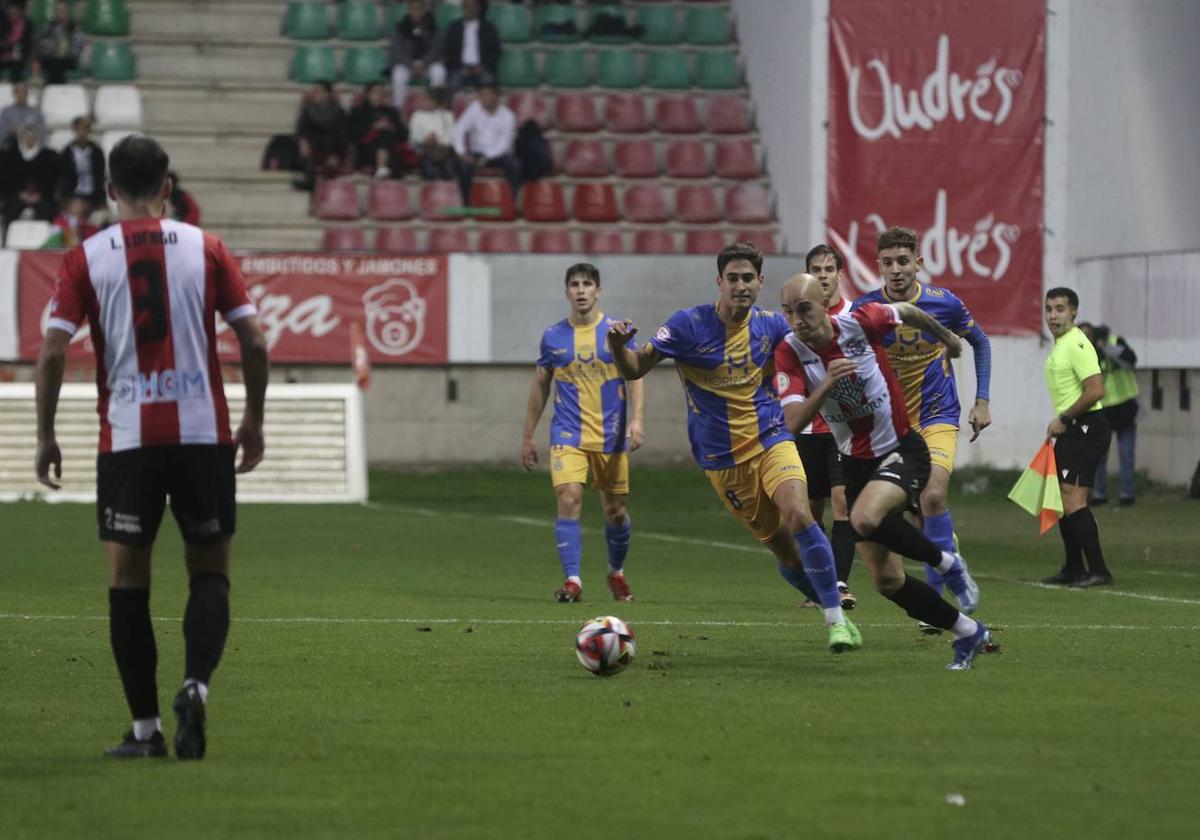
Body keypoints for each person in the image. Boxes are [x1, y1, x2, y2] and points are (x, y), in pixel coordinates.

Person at [33, 134, 269, 759]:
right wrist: (254, 420)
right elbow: (256, 342)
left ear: (109, 190)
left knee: (127, 581)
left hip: (130, 438)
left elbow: (54, 348)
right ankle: (195, 686)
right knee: (210, 571)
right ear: (168, 188)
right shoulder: (208, 248)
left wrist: (47, 433)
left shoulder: (85, 258)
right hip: (203, 435)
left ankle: (144, 732)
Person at [607, 242, 861, 654]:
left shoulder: (771, 327)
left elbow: (815, 346)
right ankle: (826, 605)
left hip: (771, 438)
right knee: (788, 555)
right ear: (719, 282)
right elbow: (635, 367)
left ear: (761, 282)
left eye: (748, 279)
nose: (740, 286)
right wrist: (619, 347)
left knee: (799, 513)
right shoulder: (687, 325)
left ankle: (836, 620)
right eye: (733, 279)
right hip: (723, 461)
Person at [776, 274, 992, 670]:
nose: (796, 320)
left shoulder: (863, 320)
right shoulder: (789, 353)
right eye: (788, 312)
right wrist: (825, 386)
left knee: (862, 517)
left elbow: (909, 311)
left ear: (825, 304)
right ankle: (968, 632)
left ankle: (947, 563)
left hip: (901, 449)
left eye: (804, 309)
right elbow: (790, 423)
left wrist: (947, 338)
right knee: (887, 581)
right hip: (853, 463)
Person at [851, 226, 991, 625]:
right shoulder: (865, 311)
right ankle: (944, 551)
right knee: (908, 513)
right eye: (888, 263)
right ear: (878, 265)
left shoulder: (943, 304)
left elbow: (979, 341)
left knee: (932, 497)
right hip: (890, 426)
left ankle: (935, 600)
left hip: (937, 415)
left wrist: (982, 401)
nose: (896, 270)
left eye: (903, 261)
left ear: (918, 263)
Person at [522, 263, 645, 602]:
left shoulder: (616, 332)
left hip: (612, 435)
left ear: (598, 291)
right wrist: (528, 435)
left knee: (615, 512)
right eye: (574, 284)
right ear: (566, 292)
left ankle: (616, 573)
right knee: (568, 498)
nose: (580, 290)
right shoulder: (553, 337)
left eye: (586, 284)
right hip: (568, 434)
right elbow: (540, 386)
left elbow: (635, 375)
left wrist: (637, 420)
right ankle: (572, 581)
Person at [793, 244, 857, 610]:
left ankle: (839, 583)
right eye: (815, 269)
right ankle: (816, 584)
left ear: (839, 274)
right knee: (810, 511)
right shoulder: (796, 322)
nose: (822, 275)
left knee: (841, 503)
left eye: (829, 269)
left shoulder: (854, 315)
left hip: (844, 430)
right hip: (807, 430)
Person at [1041, 289, 1113, 587]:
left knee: (1075, 500)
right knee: (1061, 499)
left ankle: (1098, 570)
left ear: (1074, 313)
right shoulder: (1061, 345)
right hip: (1072, 428)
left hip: (1086, 427)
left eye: (1060, 309)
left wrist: (1065, 418)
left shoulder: (1077, 344)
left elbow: (1096, 390)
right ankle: (1073, 568)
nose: (1053, 315)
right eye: (1049, 309)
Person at [1078, 322, 1139, 506]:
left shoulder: (1114, 342)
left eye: (1089, 336)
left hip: (1125, 407)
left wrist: (1106, 348)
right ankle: (1099, 494)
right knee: (1099, 455)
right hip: (1102, 410)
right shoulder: (1084, 354)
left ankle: (1127, 494)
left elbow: (1130, 360)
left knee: (1126, 454)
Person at [452, 82, 520, 204]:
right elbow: (459, 129)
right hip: (476, 152)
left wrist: (486, 157)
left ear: (497, 96)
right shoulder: (474, 109)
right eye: (482, 95)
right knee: (463, 166)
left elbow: (504, 144)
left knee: (515, 165)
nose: (485, 98)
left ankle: (512, 202)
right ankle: (466, 204)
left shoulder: (508, 115)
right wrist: (461, 152)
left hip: (498, 155)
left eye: (489, 94)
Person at [388, 0, 445, 111]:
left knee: (439, 72)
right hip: (407, 65)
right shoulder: (401, 27)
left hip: (427, 64)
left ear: (424, 10)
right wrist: (410, 64)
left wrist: (424, 63)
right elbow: (396, 51)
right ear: (409, 10)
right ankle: (398, 110)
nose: (416, 12)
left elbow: (437, 49)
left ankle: (436, 107)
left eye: (419, 9)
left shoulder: (432, 25)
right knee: (398, 75)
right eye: (413, 9)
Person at [1, 122, 60, 225]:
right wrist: (19, 193)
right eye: (26, 136)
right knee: (10, 210)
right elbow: (7, 180)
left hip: (40, 196)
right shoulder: (10, 156)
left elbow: (51, 180)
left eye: (32, 136)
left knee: (47, 210)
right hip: (17, 195)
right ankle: (7, 238)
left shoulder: (48, 156)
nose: (29, 139)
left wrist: (39, 194)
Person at [348, 81, 408, 179]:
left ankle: (382, 169)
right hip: (366, 150)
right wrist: (373, 126)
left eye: (381, 93)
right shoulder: (358, 111)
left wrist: (392, 127)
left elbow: (404, 135)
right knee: (384, 133)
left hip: (390, 150)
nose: (379, 96)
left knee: (386, 134)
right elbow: (352, 134)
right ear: (367, 95)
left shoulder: (391, 112)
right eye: (375, 93)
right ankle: (382, 168)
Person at [293, 81, 347, 190]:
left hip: (331, 147)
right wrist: (302, 141)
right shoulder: (307, 111)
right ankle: (310, 178)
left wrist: (335, 154)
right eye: (313, 91)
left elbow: (343, 136)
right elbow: (301, 131)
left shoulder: (339, 112)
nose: (314, 94)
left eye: (317, 91)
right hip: (313, 146)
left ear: (327, 94)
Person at [442, 0, 501, 93]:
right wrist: (459, 67)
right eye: (466, 7)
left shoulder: (489, 28)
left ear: (479, 7)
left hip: (482, 68)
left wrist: (484, 66)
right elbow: (447, 52)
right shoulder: (454, 28)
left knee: (488, 83)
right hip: (460, 68)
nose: (469, 10)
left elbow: (496, 52)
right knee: (451, 84)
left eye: (472, 6)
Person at [58, 115, 105, 211]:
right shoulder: (67, 152)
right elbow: (64, 176)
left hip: (93, 194)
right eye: (80, 128)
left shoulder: (96, 151)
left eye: (85, 128)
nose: (82, 132)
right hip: (74, 193)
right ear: (75, 130)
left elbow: (100, 175)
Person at [408, 86, 455, 181]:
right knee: (428, 170)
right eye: (423, 99)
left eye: (427, 99)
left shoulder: (447, 115)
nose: (423, 102)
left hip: (443, 150)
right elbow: (414, 136)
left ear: (436, 102)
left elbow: (451, 135)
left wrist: (439, 143)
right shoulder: (417, 115)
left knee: (449, 170)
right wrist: (426, 140)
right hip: (424, 149)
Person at [33, 1, 84, 85]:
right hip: (50, 58)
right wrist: (48, 49)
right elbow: (38, 43)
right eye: (57, 10)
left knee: (57, 63)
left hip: (68, 60)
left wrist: (65, 51)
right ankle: (56, 88)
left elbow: (77, 50)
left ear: (68, 11)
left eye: (62, 10)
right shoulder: (48, 26)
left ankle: (52, 88)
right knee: (53, 62)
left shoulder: (74, 28)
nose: (59, 13)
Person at [0, 78, 46, 147]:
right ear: (14, 93)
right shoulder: (6, 111)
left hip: (31, 147)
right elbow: (2, 133)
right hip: (11, 147)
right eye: (18, 91)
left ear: (27, 93)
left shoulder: (36, 112)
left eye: (23, 91)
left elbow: (42, 134)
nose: (21, 94)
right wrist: (12, 132)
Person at [1, 1, 32, 82]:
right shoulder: (4, 24)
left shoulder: (27, 24)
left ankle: (16, 90)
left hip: (20, 57)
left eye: (15, 12)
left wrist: (14, 54)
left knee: (17, 67)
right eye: (10, 12)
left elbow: (27, 44)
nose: (12, 14)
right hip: (4, 55)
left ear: (20, 12)